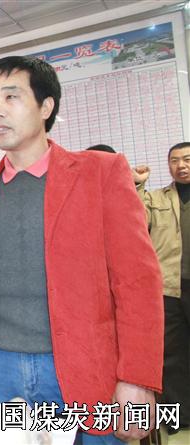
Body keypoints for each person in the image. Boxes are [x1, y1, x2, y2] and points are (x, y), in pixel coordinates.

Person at [0, 56, 163, 443]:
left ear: (46, 106)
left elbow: (137, 281)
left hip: (87, 367)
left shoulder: (100, 173)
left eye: (11, 97)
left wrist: (137, 379)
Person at [132, 141, 190, 434]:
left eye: (187, 159)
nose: (181, 166)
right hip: (170, 289)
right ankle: (179, 416)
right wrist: (138, 185)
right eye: (174, 161)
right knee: (172, 356)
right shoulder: (156, 198)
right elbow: (135, 219)